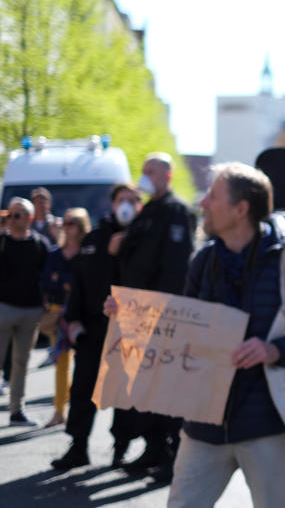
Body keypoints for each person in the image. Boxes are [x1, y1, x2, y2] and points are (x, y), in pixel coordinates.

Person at [162, 162, 285, 508]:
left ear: (241, 209)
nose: (203, 204)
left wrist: (274, 350)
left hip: (269, 426)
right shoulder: (203, 261)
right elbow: (183, 326)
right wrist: (131, 319)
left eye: (213, 196)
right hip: (204, 425)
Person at [115, 152, 197, 473]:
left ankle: (173, 453)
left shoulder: (176, 211)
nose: (145, 175)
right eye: (143, 169)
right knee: (145, 385)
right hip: (136, 310)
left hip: (162, 313)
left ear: (168, 175)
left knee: (168, 386)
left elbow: (176, 266)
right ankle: (153, 448)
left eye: (152, 170)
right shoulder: (146, 211)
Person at [51, 184, 141, 469]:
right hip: (92, 329)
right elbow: (79, 282)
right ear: (112, 204)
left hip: (128, 332)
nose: (126, 205)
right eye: (121, 200)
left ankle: (121, 448)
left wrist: (123, 252)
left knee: (123, 393)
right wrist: (73, 321)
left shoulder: (143, 237)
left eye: (132, 200)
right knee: (82, 390)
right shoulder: (95, 239)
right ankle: (77, 447)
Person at [0, 197, 50, 427]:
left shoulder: (40, 245)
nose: (12, 218)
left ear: (30, 218)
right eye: (10, 214)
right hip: (4, 309)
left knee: (21, 362)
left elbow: (49, 277)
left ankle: (16, 411)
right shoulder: (1, 242)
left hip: (31, 312)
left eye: (18, 214)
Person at [39, 207, 91, 428]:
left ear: (81, 227)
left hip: (83, 316)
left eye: (72, 223)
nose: (66, 227)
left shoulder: (88, 254)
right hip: (58, 314)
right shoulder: (55, 254)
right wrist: (64, 283)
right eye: (66, 222)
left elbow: (87, 284)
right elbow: (45, 282)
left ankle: (77, 411)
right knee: (61, 363)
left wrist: (61, 279)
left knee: (83, 366)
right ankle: (59, 410)